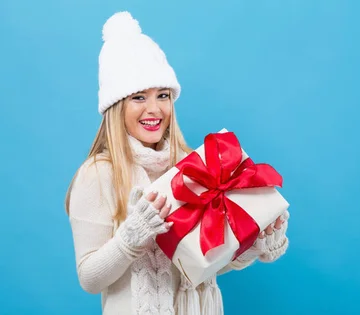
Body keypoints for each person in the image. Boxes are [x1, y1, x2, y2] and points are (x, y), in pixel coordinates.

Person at [64, 11, 290, 315]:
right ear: (116, 106)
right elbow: (89, 278)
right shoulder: (99, 173)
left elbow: (204, 263)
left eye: (163, 95)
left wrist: (253, 244)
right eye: (139, 97)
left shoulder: (191, 165)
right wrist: (132, 236)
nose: (155, 109)